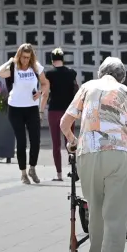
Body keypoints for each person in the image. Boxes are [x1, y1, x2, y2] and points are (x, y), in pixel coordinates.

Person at [60, 57, 127, 252]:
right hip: (118, 155)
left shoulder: (86, 87)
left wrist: (72, 141)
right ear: (121, 76)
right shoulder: (124, 91)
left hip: (87, 154)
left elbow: (65, 122)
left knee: (96, 215)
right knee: (116, 218)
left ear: (101, 73)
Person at [0, 42, 51, 184]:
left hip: (32, 108)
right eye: (23, 57)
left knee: (35, 140)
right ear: (19, 56)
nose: (25, 60)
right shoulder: (14, 67)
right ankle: (23, 173)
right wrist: (10, 61)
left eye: (28, 57)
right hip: (15, 108)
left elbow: (45, 83)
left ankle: (32, 168)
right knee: (21, 141)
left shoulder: (35, 67)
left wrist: (40, 92)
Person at [45, 48, 80, 182]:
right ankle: (74, 170)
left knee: (56, 143)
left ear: (52, 60)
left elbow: (46, 92)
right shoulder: (71, 73)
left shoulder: (49, 74)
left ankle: (59, 174)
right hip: (68, 111)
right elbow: (76, 89)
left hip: (54, 110)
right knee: (70, 140)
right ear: (63, 58)